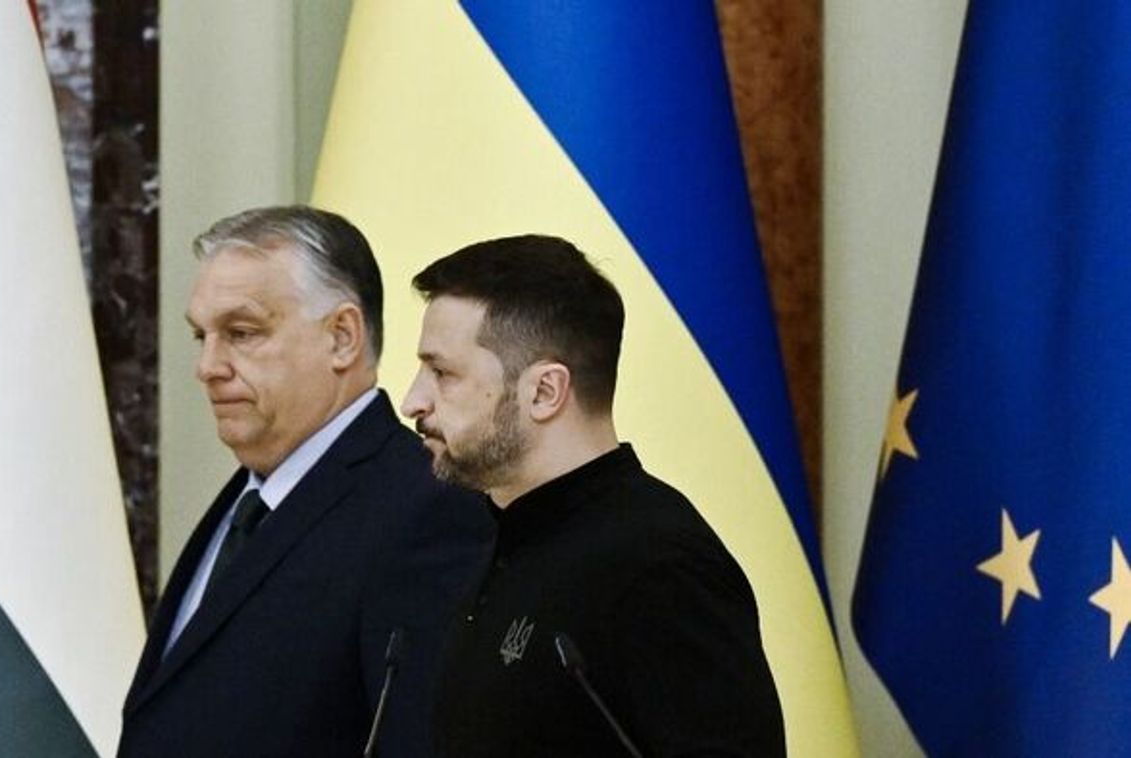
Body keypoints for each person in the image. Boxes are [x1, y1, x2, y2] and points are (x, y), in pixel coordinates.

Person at [118, 206, 491, 757]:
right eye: (202, 336)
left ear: (342, 337)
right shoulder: (248, 499)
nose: (208, 366)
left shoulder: (424, 512)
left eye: (241, 333)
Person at [401, 235, 785, 757]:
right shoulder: (504, 538)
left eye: (442, 373)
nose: (413, 401)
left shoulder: (660, 565)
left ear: (544, 392)